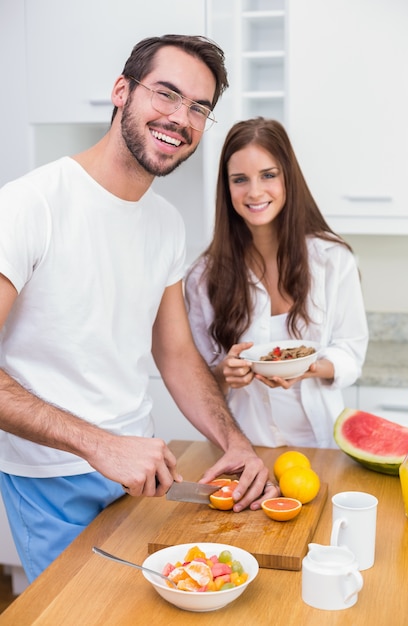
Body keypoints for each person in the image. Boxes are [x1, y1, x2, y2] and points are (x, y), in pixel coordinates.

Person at [0, 36, 277, 583]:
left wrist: (234, 441)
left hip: (144, 472)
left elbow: (175, 354)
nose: (181, 118)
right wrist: (101, 444)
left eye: (199, 107)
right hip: (51, 478)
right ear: (122, 91)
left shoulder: (165, 223)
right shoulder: (29, 205)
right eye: (167, 94)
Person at [185, 117, 369, 449]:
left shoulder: (333, 259)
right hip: (243, 448)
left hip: (323, 446)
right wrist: (225, 374)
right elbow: (200, 379)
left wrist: (309, 368)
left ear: (288, 178)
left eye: (268, 175)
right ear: (226, 189)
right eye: (240, 179)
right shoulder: (203, 277)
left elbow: (351, 353)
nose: (255, 192)